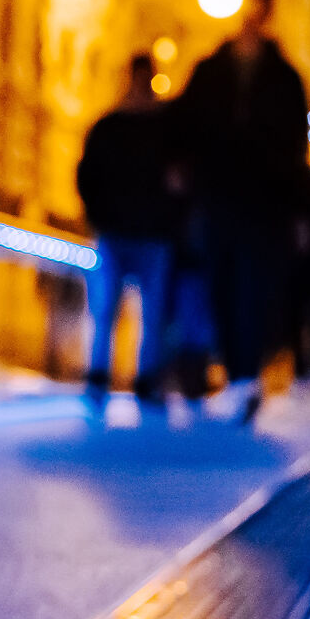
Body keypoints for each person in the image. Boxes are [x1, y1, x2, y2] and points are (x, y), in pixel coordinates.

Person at [168, 0, 309, 422]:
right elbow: (184, 123)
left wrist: (297, 207)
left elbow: (296, 147)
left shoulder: (285, 79)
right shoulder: (210, 71)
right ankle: (232, 369)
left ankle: (246, 374)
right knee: (220, 285)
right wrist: (180, 166)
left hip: (264, 203)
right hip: (217, 196)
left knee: (253, 288)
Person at [76, 52, 179, 408]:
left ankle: (125, 377)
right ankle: (114, 376)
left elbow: (87, 175)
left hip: (144, 233)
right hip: (128, 232)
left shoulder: (118, 126)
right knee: (113, 309)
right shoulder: (140, 128)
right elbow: (87, 176)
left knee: (131, 311)